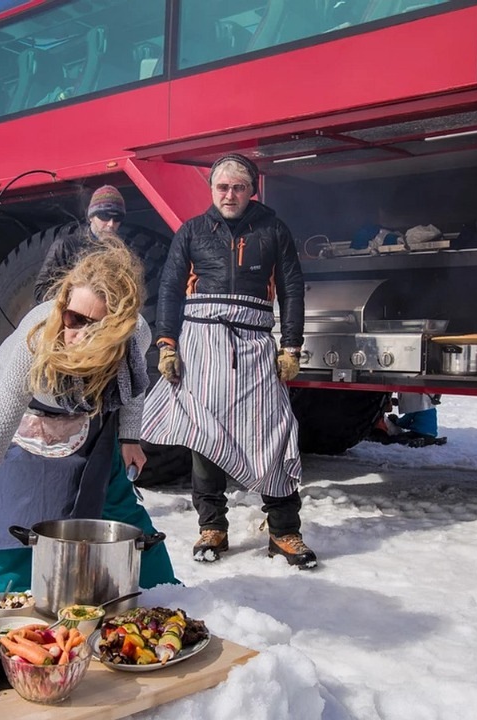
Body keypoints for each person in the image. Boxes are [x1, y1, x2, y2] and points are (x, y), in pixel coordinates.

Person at [0, 235, 178, 593]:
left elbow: (134, 385)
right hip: (22, 414)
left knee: (112, 498)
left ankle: (161, 591)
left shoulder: (135, 337)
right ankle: (10, 606)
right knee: (16, 513)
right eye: (73, 317)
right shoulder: (38, 341)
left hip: (87, 410)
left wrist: (130, 436)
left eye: (95, 325)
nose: (76, 333)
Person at [142, 152, 316, 569]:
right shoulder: (192, 231)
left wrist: (291, 347)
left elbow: (292, 288)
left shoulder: (273, 228)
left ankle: (284, 530)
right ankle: (212, 527)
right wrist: (167, 344)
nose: (230, 195)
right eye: (222, 187)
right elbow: (169, 289)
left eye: (238, 187)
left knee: (274, 429)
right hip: (203, 344)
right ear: (212, 190)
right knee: (206, 433)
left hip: (255, 343)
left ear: (251, 189)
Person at [33, 185, 127, 302]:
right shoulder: (65, 246)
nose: (111, 224)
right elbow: (40, 292)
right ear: (91, 216)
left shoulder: (122, 253)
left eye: (117, 218)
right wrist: (75, 301)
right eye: (105, 216)